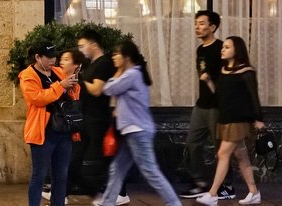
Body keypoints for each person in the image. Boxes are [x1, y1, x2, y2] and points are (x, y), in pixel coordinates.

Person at [97, 41, 182, 206]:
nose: (114, 57)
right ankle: (107, 202)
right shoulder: (134, 74)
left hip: (137, 130)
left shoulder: (131, 74)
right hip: (133, 130)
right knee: (118, 169)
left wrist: (117, 73)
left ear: (127, 57)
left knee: (150, 171)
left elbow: (108, 89)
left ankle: (173, 203)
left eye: (117, 54)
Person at [195, 36, 264, 206]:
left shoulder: (247, 71)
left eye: (227, 47)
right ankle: (254, 192)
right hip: (225, 118)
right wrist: (209, 81)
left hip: (238, 119)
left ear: (236, 50)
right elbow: (219, 95)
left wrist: (258, 118)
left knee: (222, 154)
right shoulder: (224, 70)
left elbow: (253, 96)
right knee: (241, 155)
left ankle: (212, 194)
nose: (222, 49)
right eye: (223, 47)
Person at [20, 44, 79, 206]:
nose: (54, 59)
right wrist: (60, 86)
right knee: (39, 176)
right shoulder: (28, 75)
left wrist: (73, 86)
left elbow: (72, 95)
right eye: (49, 56)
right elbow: (37, 98)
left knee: (61, 176)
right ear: (38, 57)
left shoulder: (57, 72)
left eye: (55, 55)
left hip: (63, 130)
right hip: (43, 132)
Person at [75, 30, 129, 206]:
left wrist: (80, 80)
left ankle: (119, 192)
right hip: (88, 116)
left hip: (98, 118)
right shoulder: (91, 64)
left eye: (82, 46)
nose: (80, 50)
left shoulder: (104, 63)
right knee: (79, 155)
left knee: (106, 157)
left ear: (94, 45)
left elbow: (97, 90)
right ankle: (65, 189)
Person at [181, 11, 230, 199]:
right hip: (201, 105)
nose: (197, 27)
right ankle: (199, 182)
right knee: (192, 143)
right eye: (196, 23)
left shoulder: (221, 48)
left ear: (212, 27)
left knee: (222, 149)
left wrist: (211, 81)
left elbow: (226, 80)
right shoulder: (200, 49)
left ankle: (227, 185)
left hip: (217, 106)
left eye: (201, 23)